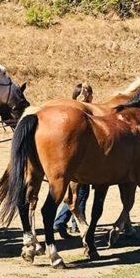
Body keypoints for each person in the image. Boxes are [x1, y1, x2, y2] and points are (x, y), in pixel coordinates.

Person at [54, 82, 92, 238]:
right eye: (90, 94)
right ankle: (69, 223)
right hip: (82, 161)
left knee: (74, 193)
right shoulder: (84, 113)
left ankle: (66, 222)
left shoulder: (71, 111)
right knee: (81, 193)